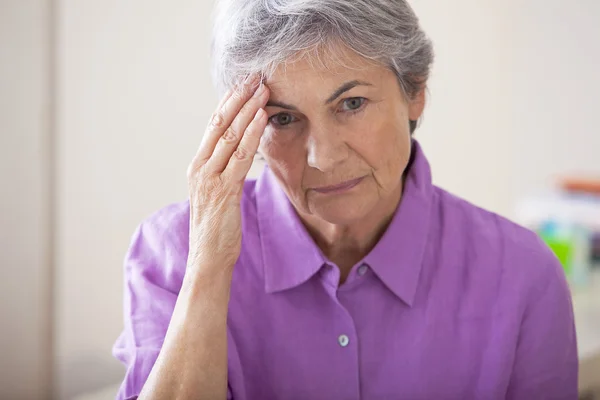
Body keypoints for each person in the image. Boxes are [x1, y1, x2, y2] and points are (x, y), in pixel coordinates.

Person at [112, 0, 578, 399]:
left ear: (415, 90)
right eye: (283, 119)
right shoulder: (172, 252)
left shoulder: (521, 274)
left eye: (351, 104)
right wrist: (209, 264)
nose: (324, 157)